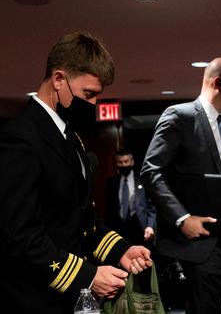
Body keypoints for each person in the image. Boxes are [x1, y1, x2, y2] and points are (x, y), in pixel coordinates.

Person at [0, 32, 152, 313]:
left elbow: (82, 220)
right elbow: (18, 236)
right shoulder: (20, 138)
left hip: (70, 299)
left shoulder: (72, 139)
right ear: (59, 80)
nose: (93, 105)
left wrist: (122, 250)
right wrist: (87, 276)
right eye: (88, 94)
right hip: (33, 299)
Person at [141, 57, 221, 314]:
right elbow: (151, 171)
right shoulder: (181, 116)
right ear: (219, 83)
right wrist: (182, 218)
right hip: (199, 241)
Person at [105, 148, 156, 245]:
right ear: (116, 164)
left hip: (140, 228)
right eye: (120, 162)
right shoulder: (111, 182)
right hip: (119, 229)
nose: (123, 165)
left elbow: (151, 207)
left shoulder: (142, 180)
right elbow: (109, 209)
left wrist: (150, 226)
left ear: (132, 162)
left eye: (126, 161)